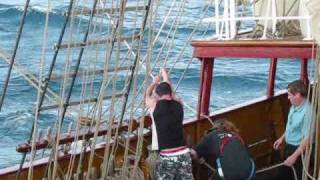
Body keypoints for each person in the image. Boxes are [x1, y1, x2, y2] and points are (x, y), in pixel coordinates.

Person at [145, 68, 193, 180]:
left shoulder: (155, 105)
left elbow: (146, 95)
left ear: (157, 94)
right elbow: (172, 93)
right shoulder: (179, 103)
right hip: (184, 154)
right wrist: (165, 75)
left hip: (167, 156)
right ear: (170, 93)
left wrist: (154, 83)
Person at [190, 119, 255, 180]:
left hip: (227, 176)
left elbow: (193, 152)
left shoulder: (211, 135)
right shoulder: (237, 136)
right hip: (249, 174)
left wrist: (198, 159)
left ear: (214, 128)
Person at [273, 80, 312, 180]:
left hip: (298, 150)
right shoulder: (294, 106)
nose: (288, 97)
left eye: (290, 95)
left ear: (298, 95)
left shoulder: (308, 113)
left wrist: (294, 157)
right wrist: (282, 138)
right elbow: (290, 126)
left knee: (296, 175)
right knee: (285, 174)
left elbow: (307, 139)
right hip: (289, 146)